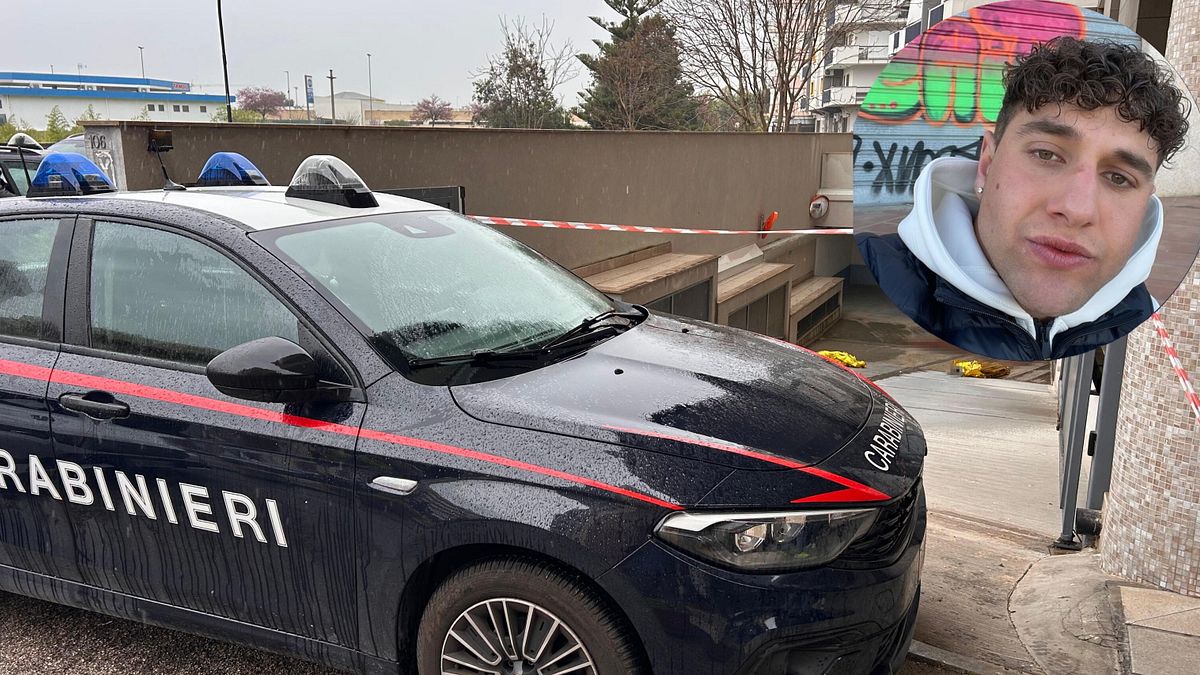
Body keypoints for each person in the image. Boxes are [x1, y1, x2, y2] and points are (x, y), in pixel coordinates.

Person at [856, 36, 1189, 361]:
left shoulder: (1143, 318)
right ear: (987, 164)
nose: (1076, 209)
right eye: (1046, 154)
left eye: (1119, 178)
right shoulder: (871, 271)